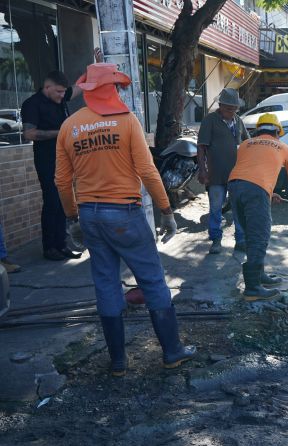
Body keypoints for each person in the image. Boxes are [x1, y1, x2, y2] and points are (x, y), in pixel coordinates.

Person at [55, 63, 194, 376]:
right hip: (124, 214)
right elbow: (147, 171)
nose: (119, 91)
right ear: (112, 89)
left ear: (89, 90)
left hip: (90, 215)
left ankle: (118, 362)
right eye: (116, 87)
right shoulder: (127, 122)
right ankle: (172, 352)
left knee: (105, 284)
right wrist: (167, 211)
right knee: (152, 280)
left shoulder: (70, 127)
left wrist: (72, 217)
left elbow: (62, 182)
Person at [21, 49, 102, 261]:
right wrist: (62, 132)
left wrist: (96, 66)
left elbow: (80, 86)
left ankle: (62, 244)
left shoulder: (61, 95)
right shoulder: (32, 104)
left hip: (66, 158)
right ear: (47, 87)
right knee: (52, 202)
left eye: (62, 92)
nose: (61, 96)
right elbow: (29, 133)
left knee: (65, 200)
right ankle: (50, 247)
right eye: (57, 92)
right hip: (47, 159)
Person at [228, 113, 288, 303]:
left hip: (234, 186)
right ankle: (252, 289)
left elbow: (250, 170)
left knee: (251, 233)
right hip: (254, 189)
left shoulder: (245, 145)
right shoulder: (283, 147)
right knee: (259, 235)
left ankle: (259, 277)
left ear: (258, 131)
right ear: (277, 132)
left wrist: (268, 192)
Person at [197, 88, 249, 255]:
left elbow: (247, 143)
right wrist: (203, 170)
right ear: (220, 106)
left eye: (234, 109)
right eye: (228, 108)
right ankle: (216, 240)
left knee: (238, 209)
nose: (231, 111)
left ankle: (240, 240)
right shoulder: (209, 120)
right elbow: (201, 147)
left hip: (237, 174)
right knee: (215, 208)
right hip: (216, 173)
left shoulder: (238, 121)